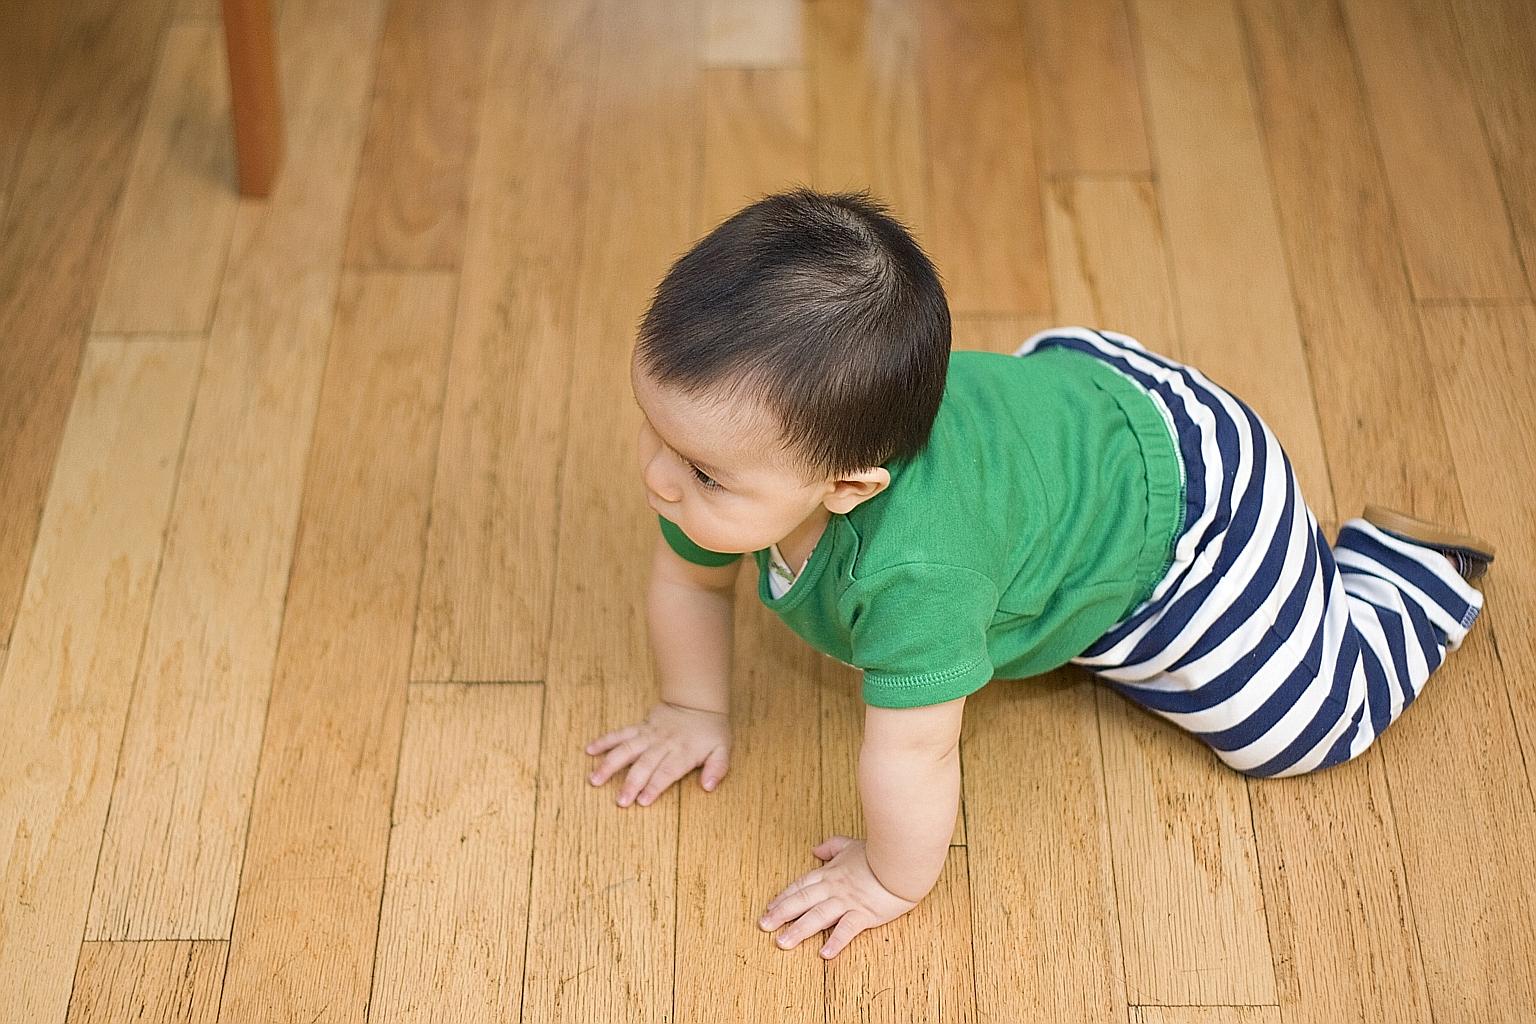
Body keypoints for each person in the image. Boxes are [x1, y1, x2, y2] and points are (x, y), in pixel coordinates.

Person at [581, 187, 1495, 961]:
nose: (661, 477)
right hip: (1068, 409)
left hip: (1182, 517)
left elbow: (917, 746)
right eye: (655, 430)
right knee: (1009, 553)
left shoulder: (916, 573)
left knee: (1295, 731)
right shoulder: (723, 471)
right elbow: (690, 581)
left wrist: (891, 877)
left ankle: (1407, 578)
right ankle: (1210, 580)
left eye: (700, 470)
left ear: (850, 487)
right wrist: (690, 709)